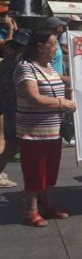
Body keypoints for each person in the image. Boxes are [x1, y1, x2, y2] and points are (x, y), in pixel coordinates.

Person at [14, 30, 76, 227]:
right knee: (33, 171)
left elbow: (60, 83)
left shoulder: (48, 67)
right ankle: (31, 211)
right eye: (53, 44)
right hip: (33, 132)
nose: (56, 49)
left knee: (50, 170)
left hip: (53, 131)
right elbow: (34, 98)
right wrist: (62, 103)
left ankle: (48, 205)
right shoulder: (26, 68)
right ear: (40, 46)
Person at [0, 28, 30, 188]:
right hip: (18, 109)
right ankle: (33, 185)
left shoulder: (6, 63)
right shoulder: (20, 65)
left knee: (12, 146)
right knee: (19, 147)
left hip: (9, 108)